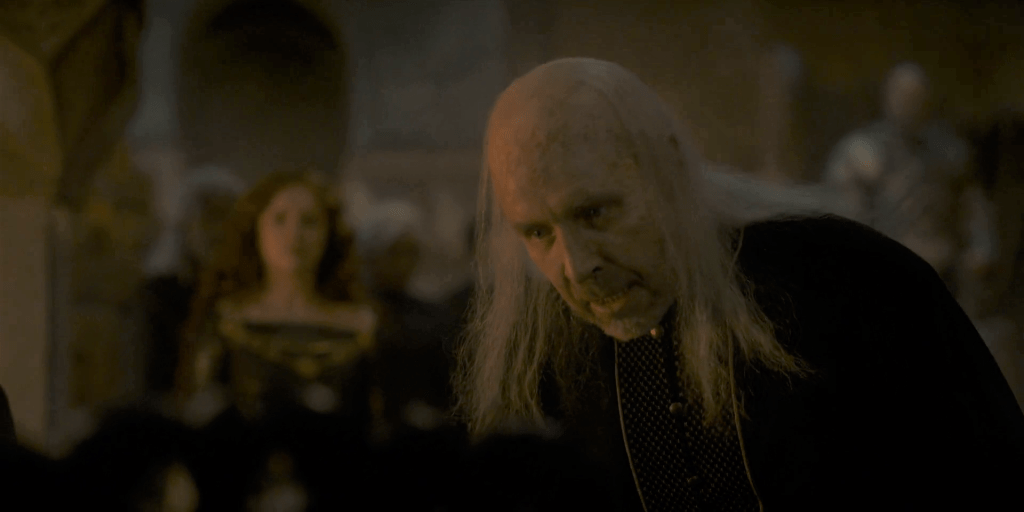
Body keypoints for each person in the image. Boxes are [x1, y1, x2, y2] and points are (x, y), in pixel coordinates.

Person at [453, 57, 1024, 511]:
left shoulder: (854, 284)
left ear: (668, 169)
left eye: (596, 213)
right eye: (537, 232)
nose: (576, 268)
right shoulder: (553, 365)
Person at [174, 169, 377, 427]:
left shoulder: (360, 325)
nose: (294, 234)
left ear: (329, 232)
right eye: (280, 219)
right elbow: (199, 414)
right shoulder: (228, 321)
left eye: (309, 221)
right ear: (257, 228)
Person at [824, 62, 996, 311]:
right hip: (885, 269)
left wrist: (982, 246)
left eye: (916, 96)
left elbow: (973, 207)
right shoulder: (861, 152)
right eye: (902, 94)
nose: (908, 103)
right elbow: (845, 221)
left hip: (943, 270)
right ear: (886, 97)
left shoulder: (950, 153)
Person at [136, 166, 246, 402]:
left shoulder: (251, 298)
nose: (220, 231)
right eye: (211, 216)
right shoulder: (158, 296)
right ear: (185, 224)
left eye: (231, 219)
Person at [356, 200, 458, 434]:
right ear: (371, 254)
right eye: (394, 252)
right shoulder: (351, 313)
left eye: (410, 253)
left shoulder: (433, 316)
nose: (403, 263)